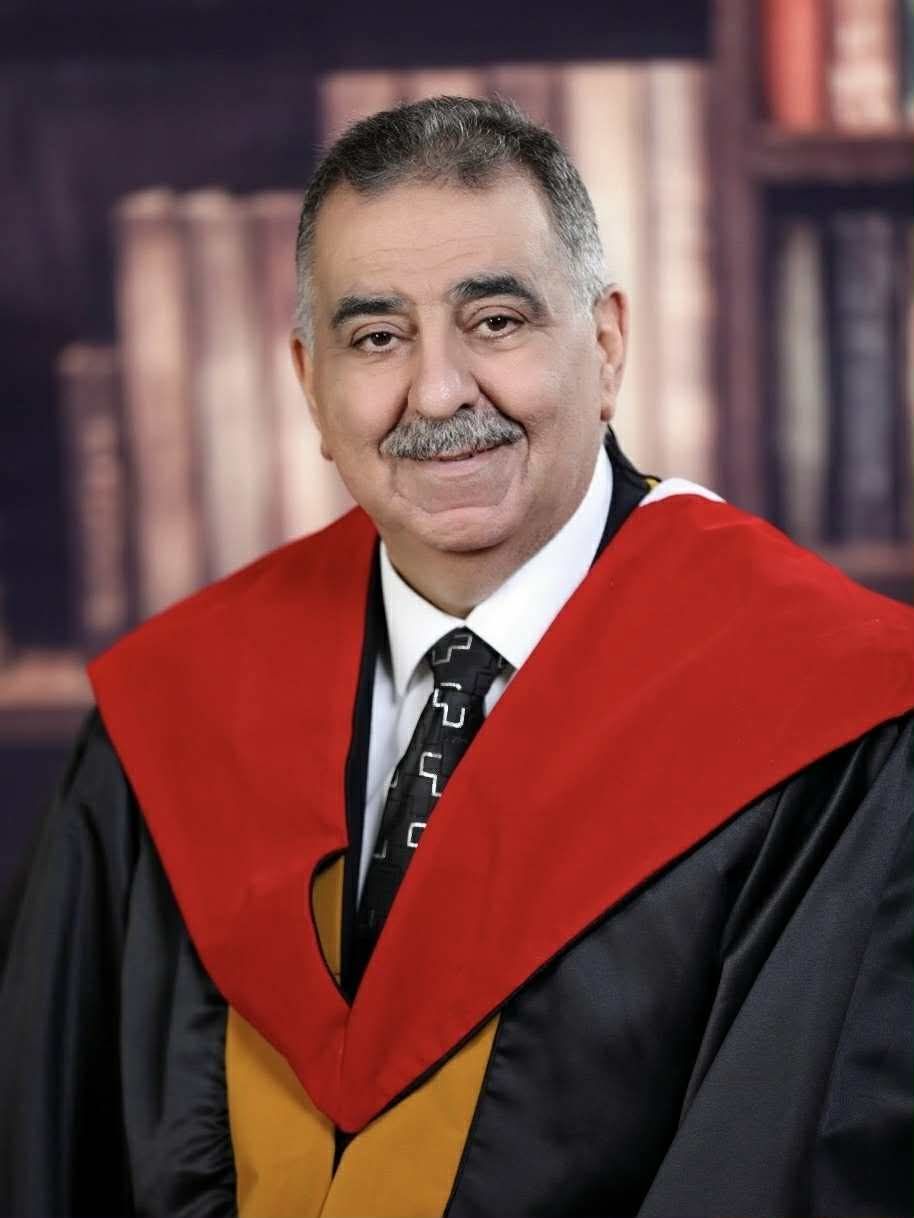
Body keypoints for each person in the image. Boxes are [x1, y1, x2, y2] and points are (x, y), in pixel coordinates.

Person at [1, 96, 912, 1218]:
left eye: (495, 321)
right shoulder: (174, 716)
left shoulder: (831, 727)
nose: (438, 392)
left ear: (606, 345)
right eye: (376, 338)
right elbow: (47, 1147)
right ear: (310, 383)